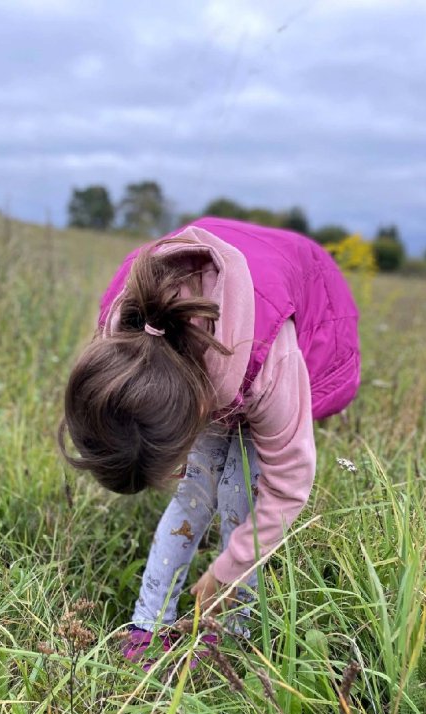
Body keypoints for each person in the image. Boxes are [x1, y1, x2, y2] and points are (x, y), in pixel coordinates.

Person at [59, 216, 360, 658]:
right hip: (211, 363)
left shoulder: (271, 365)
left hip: (288, 310)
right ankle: (149, 624)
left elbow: (288, 483)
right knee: (194, 493)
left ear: (193, 415)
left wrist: (227, 573)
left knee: (243, 497)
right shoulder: (123, 331)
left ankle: (230, 633)